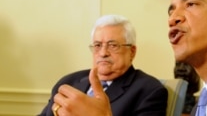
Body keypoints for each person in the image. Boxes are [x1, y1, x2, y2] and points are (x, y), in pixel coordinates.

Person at [39, 15, 168, 116]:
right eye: (97, 45)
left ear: (132, 52)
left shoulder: (148, 91)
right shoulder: (69, 82)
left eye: (113, 45)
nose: (103, 53)